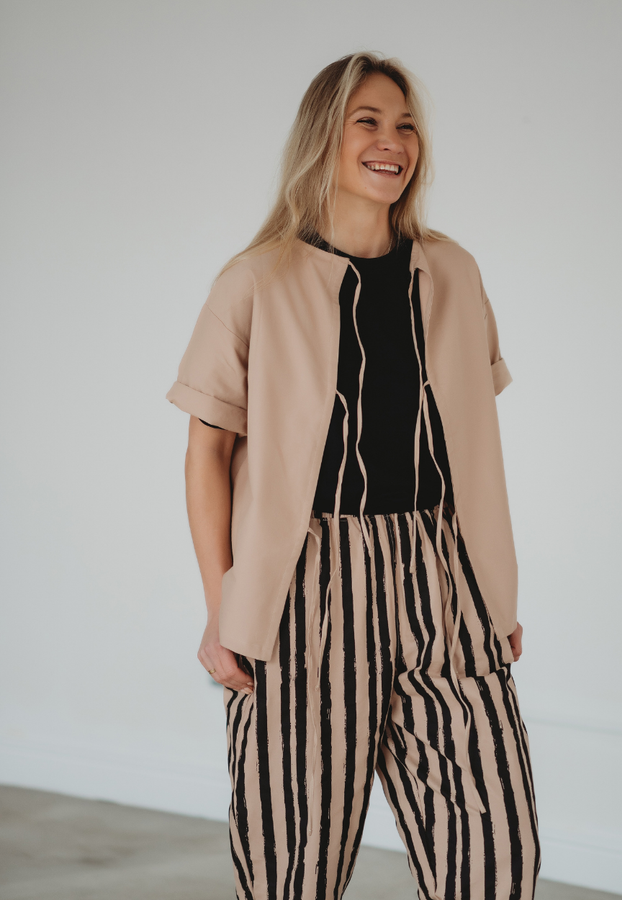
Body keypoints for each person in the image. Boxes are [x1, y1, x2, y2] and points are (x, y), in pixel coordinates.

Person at [166, 51, 540, 900]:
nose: (391, 141)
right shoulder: (254, 280)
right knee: (291, 866)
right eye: (367, 120)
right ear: (322, 137)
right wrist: (221, 603)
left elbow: (474, 443)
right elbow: (207, 452)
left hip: (440, 574)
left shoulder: (453, 272)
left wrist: (493, 591)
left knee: (495, 852)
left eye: (405, 124)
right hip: (303, 587)